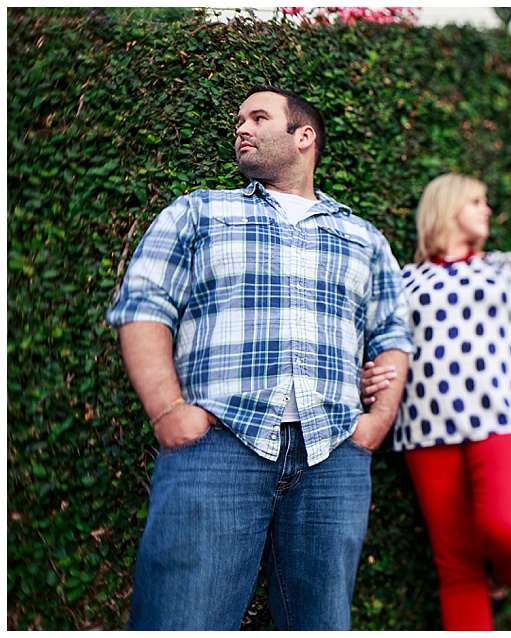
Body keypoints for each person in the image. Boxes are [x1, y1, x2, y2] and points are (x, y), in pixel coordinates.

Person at [106, 84, 413, 631]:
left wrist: (376, 422)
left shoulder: (363, 238)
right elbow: (144, 305)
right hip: (218, 446)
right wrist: (167, 410)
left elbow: (393, 332)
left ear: (304, 137)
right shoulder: (199, 212)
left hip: (333, 455)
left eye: (257, 117)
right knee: (182, 620)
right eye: (238, 120)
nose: (241, 128)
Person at [360, 172, 511, 630]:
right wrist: (370, 378)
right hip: (425, 429)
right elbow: (385, 350)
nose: (487, 210)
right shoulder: (402, 280)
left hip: (504, 418)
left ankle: (508, 574)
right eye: (478, 201)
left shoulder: (507, 268)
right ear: (449, 207)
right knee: (456, 569)